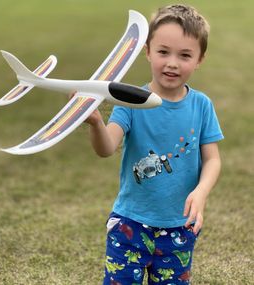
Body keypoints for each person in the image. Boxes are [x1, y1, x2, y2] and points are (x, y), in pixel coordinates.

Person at [86, 4, 224, 284]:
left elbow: (212, 159)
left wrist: (202, 191)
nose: (172, 63)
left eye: (184, 55)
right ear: (147, 51)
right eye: (163, 52)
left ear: (200, 59)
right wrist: (97, 124)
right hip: (130, 224)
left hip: (179, 228)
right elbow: (106, 148)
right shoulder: (131, 101)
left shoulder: (201, 106)